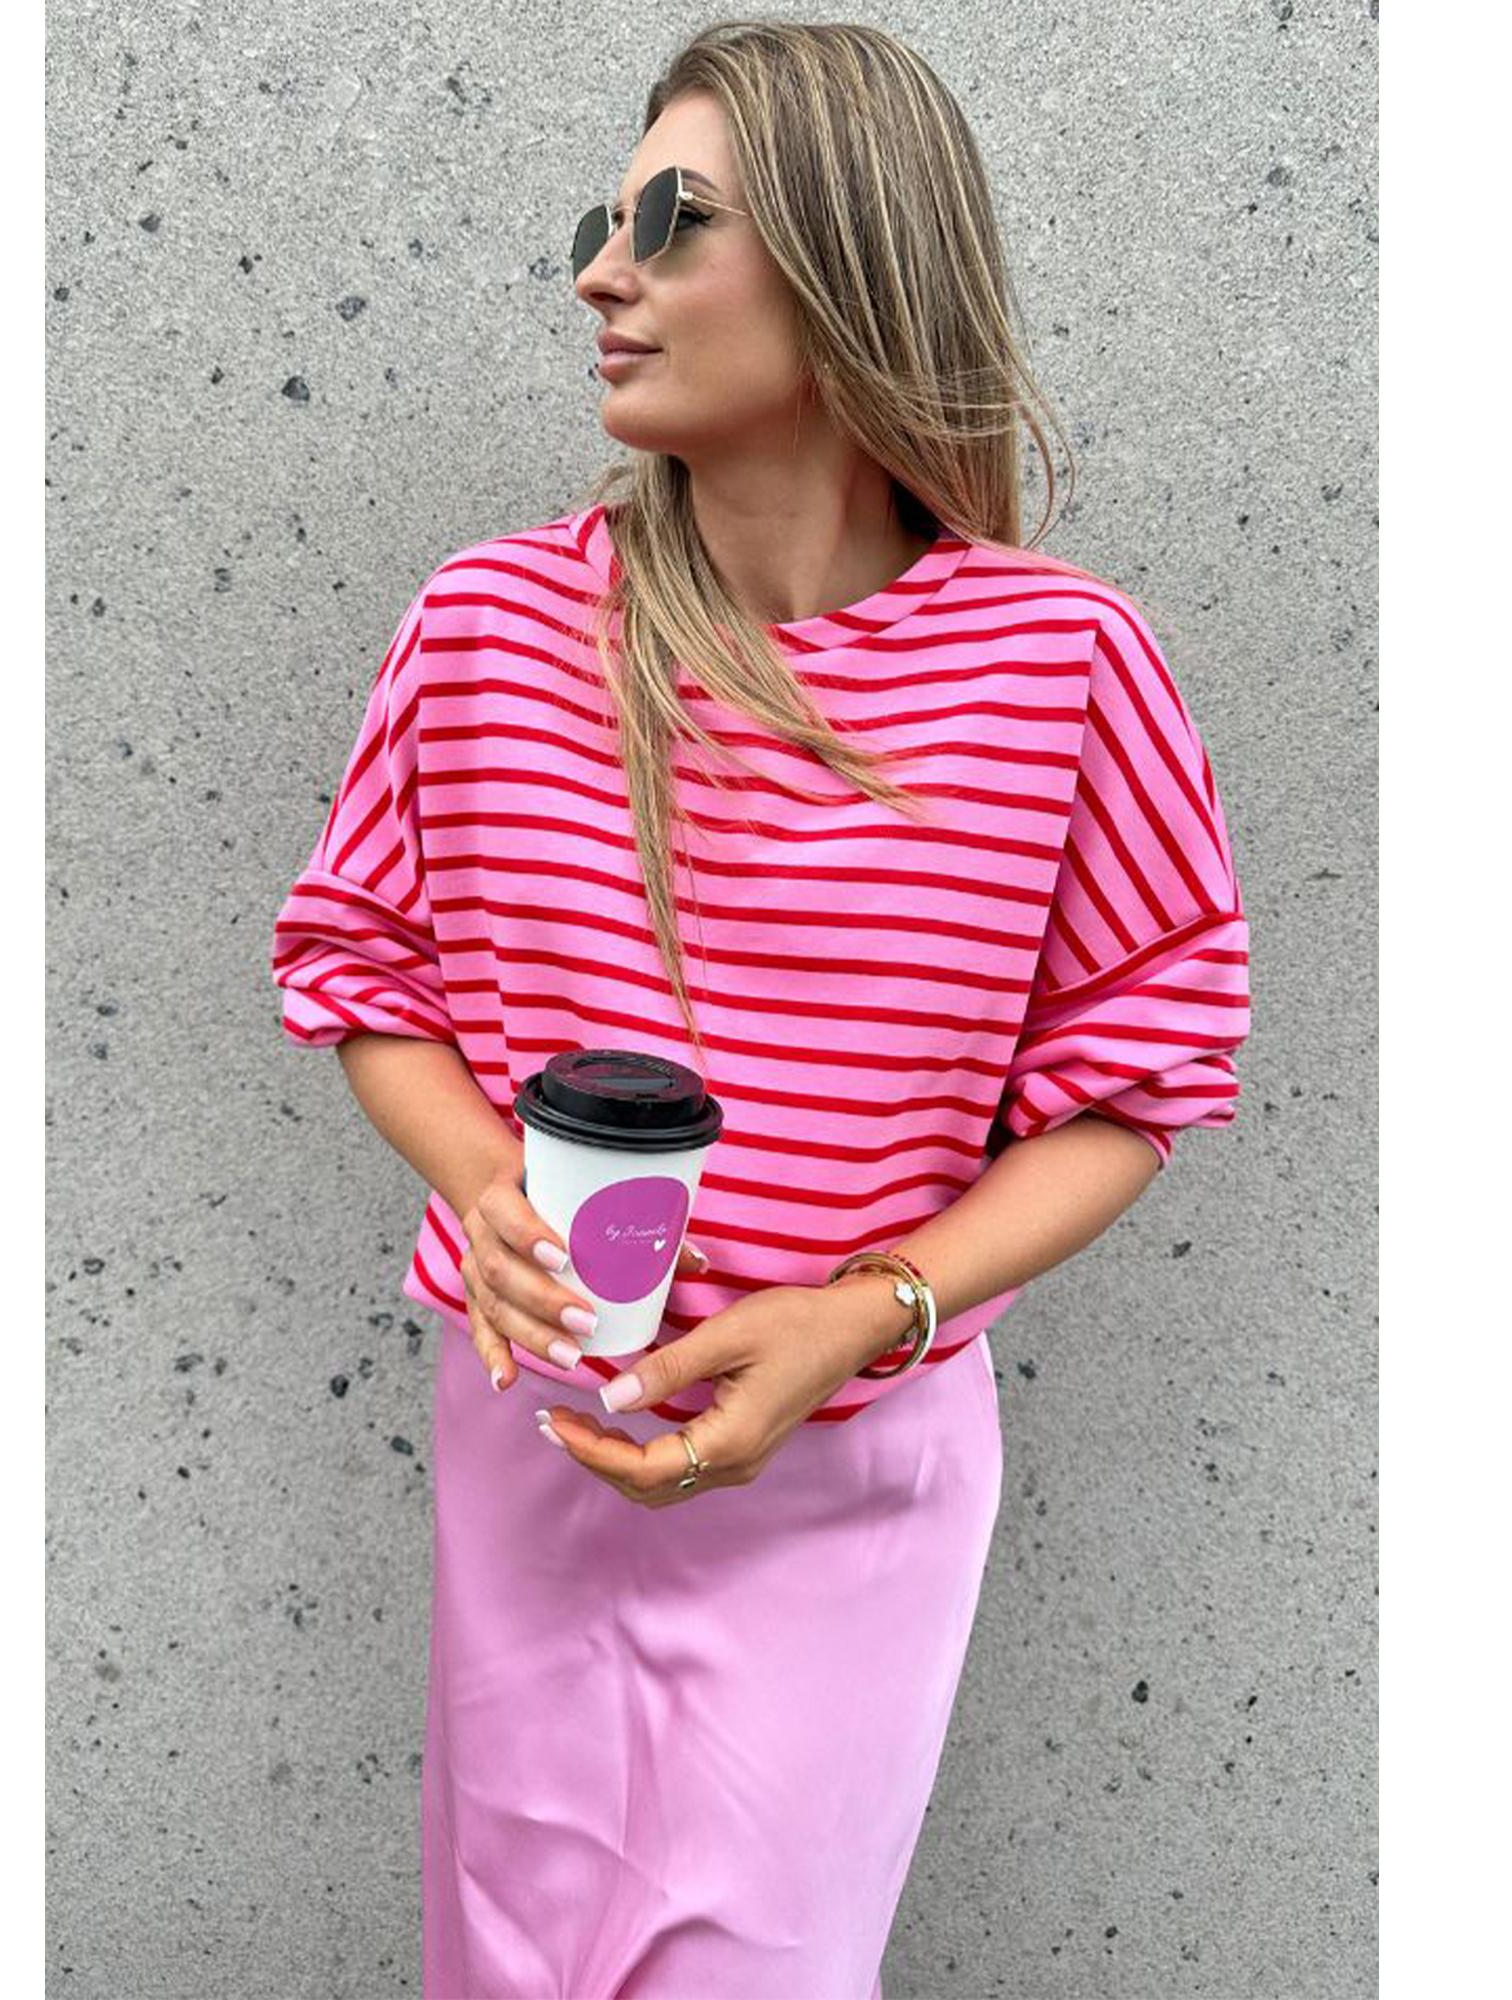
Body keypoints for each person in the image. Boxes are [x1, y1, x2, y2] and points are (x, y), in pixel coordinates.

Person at [269, 21, 1251, 1998]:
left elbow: (1140, 1074)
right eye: (605, 220)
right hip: (542, 1433)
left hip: (852, 1455)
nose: (598, 274)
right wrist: (491, 1195)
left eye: (672, 223)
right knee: (514, 1948)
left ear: (845, 262)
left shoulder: (1060, 663)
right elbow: (356, 963)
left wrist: (869, 1310)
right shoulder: (487, 627)